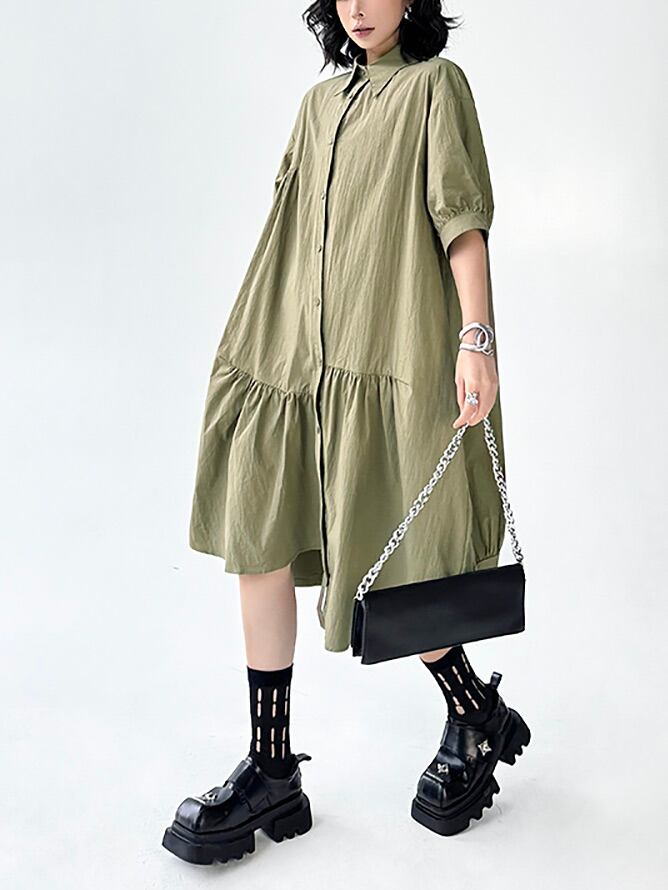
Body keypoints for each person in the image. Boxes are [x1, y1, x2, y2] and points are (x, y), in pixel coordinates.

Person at [162, 0, 530, 863]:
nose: (359, 8)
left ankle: (475, 712)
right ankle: (271, 769)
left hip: (387, 352)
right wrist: (252, 342)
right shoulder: (316, 104)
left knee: (397, 558)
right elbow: (289, 231)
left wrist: (475, 338)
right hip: (288, 353)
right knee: (259, 538)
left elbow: (461, 220)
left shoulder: (436, 88)